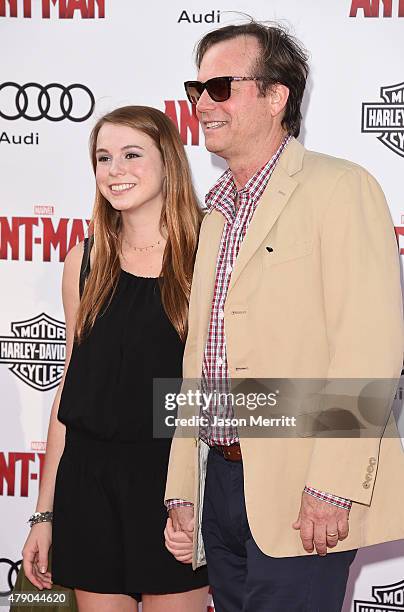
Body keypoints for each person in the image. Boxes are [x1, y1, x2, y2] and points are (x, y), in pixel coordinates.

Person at [164, 21, 404, 612]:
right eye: (197, 90)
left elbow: (367, 346)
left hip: (303, 485)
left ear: (277, 97)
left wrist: (334, 485)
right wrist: (184, 486)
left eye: (221, 87)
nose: (202, 103)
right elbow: (203, 358)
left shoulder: (340, 188)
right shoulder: (215, 212)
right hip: (219, 481)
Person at [21, 105, 209, 612]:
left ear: (168, 161)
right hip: (89, 482)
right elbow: (71, 386)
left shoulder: (207, 257)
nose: (114, 169)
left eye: (131, 154)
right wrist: (45, 514)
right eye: (103, 157)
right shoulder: (85, 261)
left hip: (172, 487)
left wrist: (199, 500)